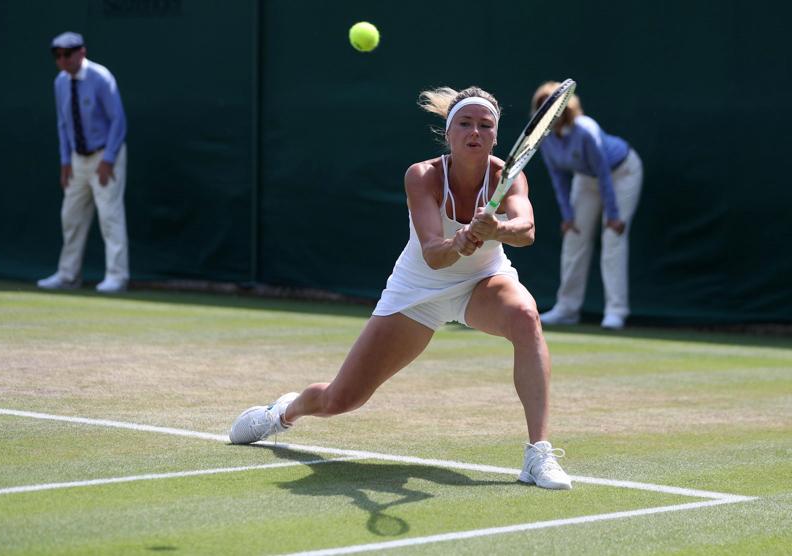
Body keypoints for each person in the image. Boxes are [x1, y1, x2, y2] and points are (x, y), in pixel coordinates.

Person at [229, 86, 572, 490]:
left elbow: (526, 229)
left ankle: (537, 454)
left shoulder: (507, 176)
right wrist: (458, 241)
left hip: (483, 282)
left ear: (496, 136)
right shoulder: (422, 175)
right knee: (341, 400)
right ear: (448, 132)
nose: (474, 132)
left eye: (485, 125)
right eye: (465, 124)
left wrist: (497, 228)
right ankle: (284, 411)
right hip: (418, 291)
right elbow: (432, 253)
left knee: (526, 316)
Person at [534, 81, 643, 330]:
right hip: (585, 179)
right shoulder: (544, 137)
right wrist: (568, 216)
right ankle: (566, 309)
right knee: (574, 237)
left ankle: (616, 311)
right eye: (542, 108)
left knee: (613, 237)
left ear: (564, 108)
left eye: (552, 107)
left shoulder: (585, 130)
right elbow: (558, 177)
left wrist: (613, 215)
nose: (547, 113)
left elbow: (603, 173)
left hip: (622, 173)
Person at [37, 31, 129, 293]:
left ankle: (117, 276)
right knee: (71, 216)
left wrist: (108, 159)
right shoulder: (60, 83)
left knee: (110, 217)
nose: (62, 60)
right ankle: (68, 275)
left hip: (105, 155)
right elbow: (63, 124)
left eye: (67, 54)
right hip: (78, 159)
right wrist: (65, 161)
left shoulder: (101, 77)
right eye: (57, 56)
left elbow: (118, 121)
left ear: (82, 52)